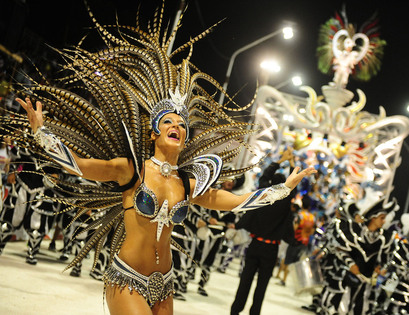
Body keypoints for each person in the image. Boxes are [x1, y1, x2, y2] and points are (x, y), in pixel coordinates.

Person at [11, 4, 316, 315]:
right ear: (153, 134)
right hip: (127, 279)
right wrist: (42, 133)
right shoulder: (131, 170)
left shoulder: (188, 182)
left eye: (182, 124)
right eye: (168, 122)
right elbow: (79, 165)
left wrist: (284, 188)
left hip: (164, 284)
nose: (177, 127)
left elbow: (235, 201)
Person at [230, 147, 299, 315]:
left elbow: (264, 176)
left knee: (244, 282)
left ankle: (235, 311)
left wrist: (279, 161)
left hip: (255, 245)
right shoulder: (285, 201)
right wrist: (291, 164)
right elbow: (293, 185)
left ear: (270, 185)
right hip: (271, 249)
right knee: (262, 287)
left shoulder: (263, 195)